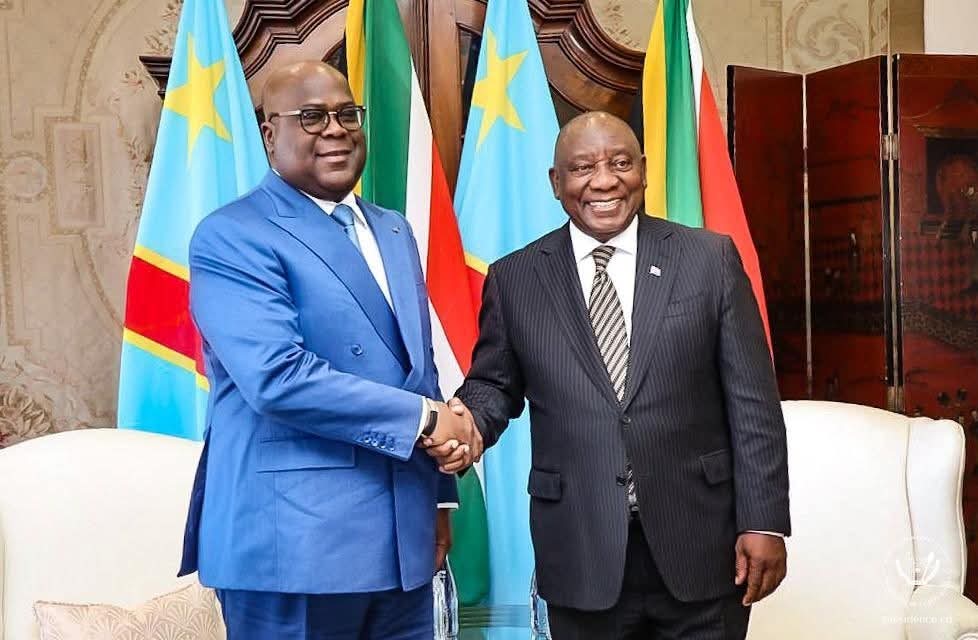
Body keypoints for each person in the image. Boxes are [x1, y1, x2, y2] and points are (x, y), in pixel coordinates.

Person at [429, 111, 790, 639]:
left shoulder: (708, 258)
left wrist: (764, 520)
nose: (604, 181)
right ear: (556, 182)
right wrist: (467, 427)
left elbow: (753, 402)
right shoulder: (515, 278)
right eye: (582, 168)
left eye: (620, 163)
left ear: (643, 170)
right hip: (581, 546)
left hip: (701, 543)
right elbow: (494, 385)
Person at [177, 61, 480, 640]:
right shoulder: (233, 234)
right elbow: (277, 377)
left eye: (347, 114)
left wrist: (439, 499)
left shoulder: (392, 230)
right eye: (312, 117)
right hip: (294, 548)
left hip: (404, 542)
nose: (336, 129)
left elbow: (416, 372)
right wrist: (425, 420)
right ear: (271, 134)